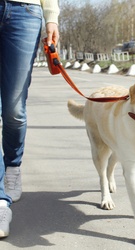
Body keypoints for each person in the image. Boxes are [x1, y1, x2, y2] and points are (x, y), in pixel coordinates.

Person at [0, 0, 60, 238]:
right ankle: (0, 203)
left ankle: (12, 167)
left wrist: (51, 16)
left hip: (24, 11)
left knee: (14, 110)